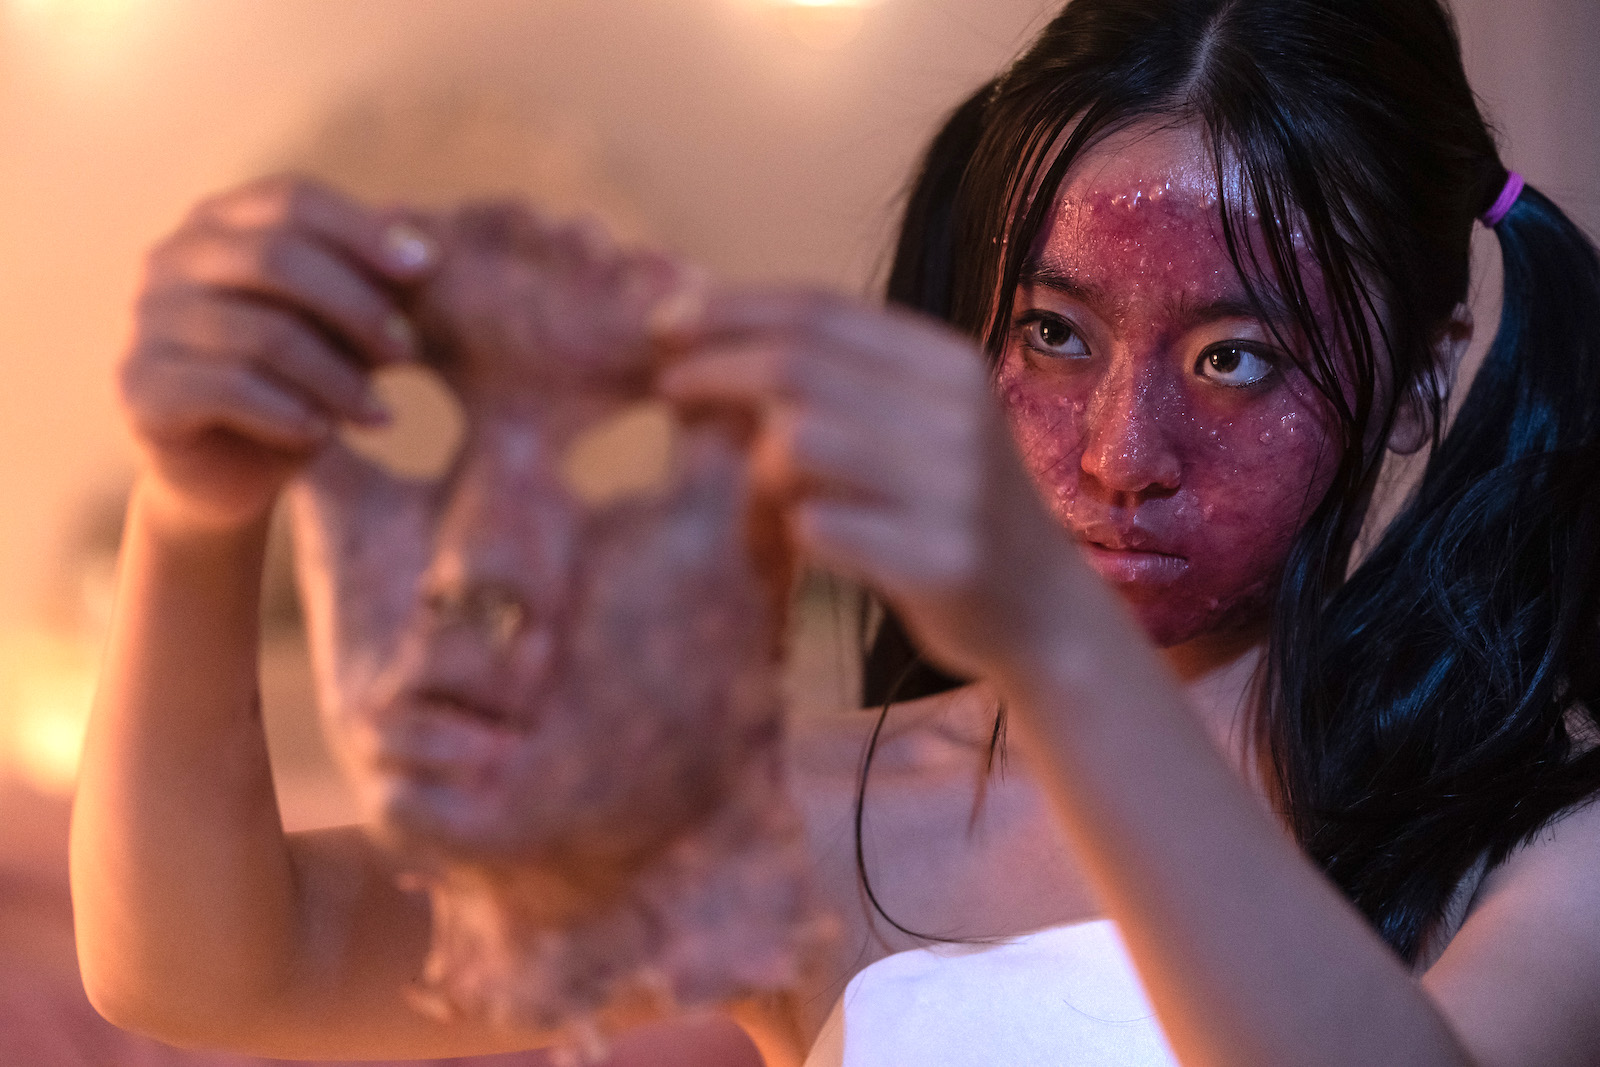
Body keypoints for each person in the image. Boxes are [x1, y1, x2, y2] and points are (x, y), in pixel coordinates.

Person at [70, 0, 1600, 1064]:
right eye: (1054, 335)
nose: (1123, 453)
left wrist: (1051, 638)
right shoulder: (822, 816)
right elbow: (217, 965)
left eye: (1235, 359)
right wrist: (195, 515)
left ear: (1424, 378)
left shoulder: (1543, 844)